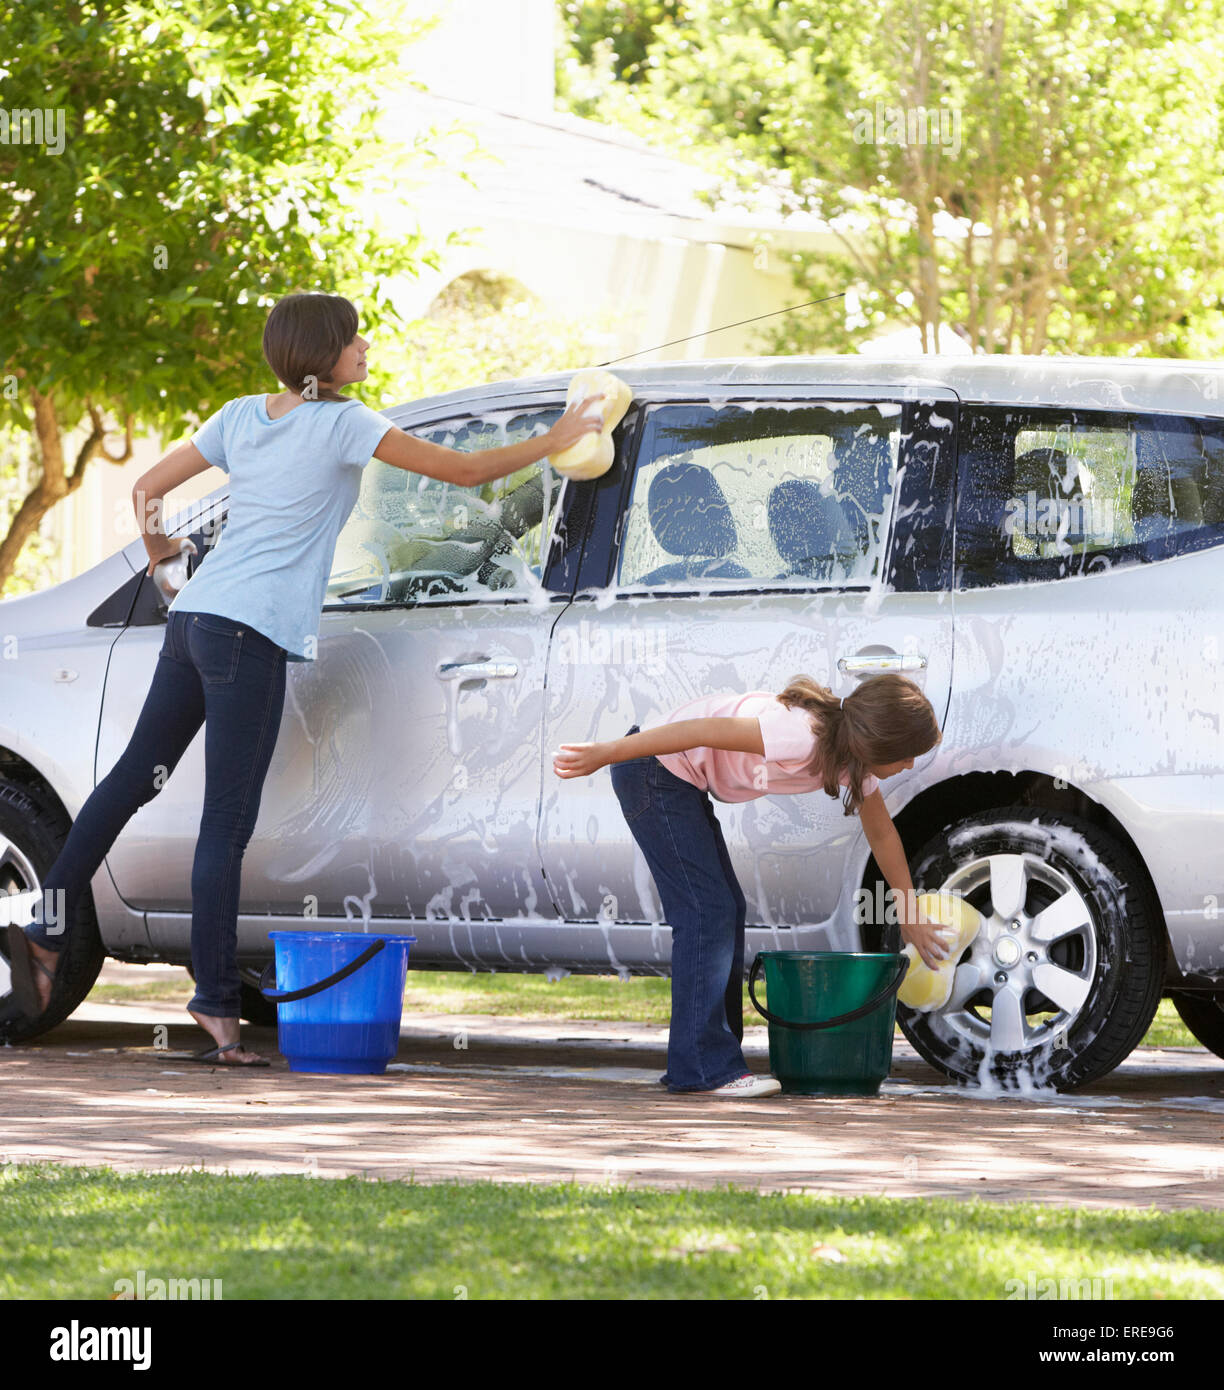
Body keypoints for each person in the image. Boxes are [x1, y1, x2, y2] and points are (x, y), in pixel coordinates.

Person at [6, 291, 604, 1064]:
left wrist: (164, 567)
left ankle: (46, 931)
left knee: (128, 783)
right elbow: (463, 471)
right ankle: (217, 1006)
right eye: (353, 339)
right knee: (225, 822)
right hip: (247, 636)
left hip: (195, 623)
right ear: (324, 353)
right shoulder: (346, 423)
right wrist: (556, 436)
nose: (364, 347)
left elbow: (148, 490)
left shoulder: (245, 416)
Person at [551, 674, 949, 1098]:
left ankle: (707, 1060)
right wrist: (608, 751)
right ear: (878, 743)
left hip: (674, 778)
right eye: (907, 756)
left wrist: (908, 914)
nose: (909, 765)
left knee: (724, 908)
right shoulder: (801, 734)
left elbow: (883, 835)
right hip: (652, 768)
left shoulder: (849, 759)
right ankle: (705, 1068)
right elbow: (697, 731)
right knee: (707, 911)